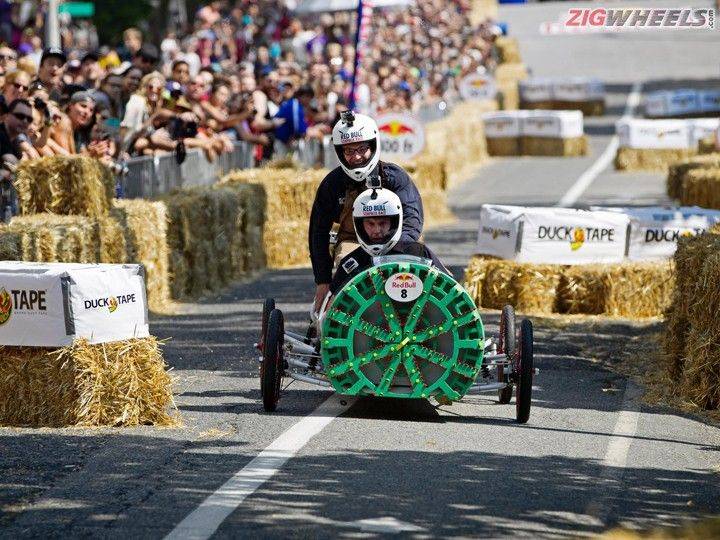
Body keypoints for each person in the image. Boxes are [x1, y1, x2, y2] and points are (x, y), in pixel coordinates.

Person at [308, 110, 423, 311]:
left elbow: (413, 218)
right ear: (340, 152)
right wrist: (323, 280)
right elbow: (318, 232)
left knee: (428, 270)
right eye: (349, 151)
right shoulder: (332, 184)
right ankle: (339, 317)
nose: (357, 157)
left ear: (373, 146)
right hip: (352, 243)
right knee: (347, 264)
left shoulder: (395, 177)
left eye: (362, 149)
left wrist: (393, 250)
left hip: (397, 241)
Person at [329, 187, 448, 295]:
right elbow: (331, 305)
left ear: (394, 223)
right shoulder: (351, 263)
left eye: (382, 223)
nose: (377, 230)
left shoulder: (419, 253)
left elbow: (449, 286)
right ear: (359, 225)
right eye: (370, 224)